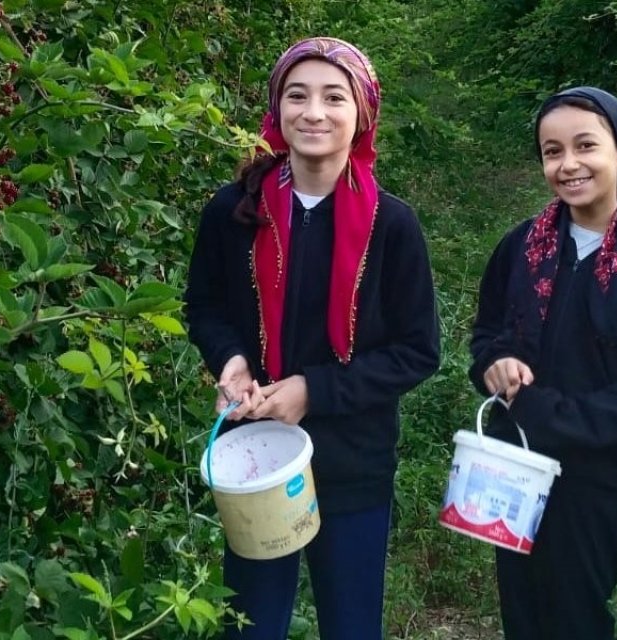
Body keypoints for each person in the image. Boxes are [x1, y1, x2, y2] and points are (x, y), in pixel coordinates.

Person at [184, 37, 440, 640]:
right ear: (277, 110)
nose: (315, 113)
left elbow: (417, 350)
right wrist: (232, 359)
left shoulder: (392, 225)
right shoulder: (234, 210)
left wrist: (313, 391)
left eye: (334, 97)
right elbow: (206, 306)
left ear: (362, 114)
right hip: (257, 460)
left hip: (354, 463)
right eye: (297, 96)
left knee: (351, 627)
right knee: (250, 625)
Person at [468, 86, 617, 639]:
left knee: (577, 612)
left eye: (584, 146)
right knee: (522, 607)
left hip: (595, 478)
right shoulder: (522, 246)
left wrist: (557, 416)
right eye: (552, 151)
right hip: (515, 466)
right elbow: (486, 335)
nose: (568, 164)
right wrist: (496, 363)